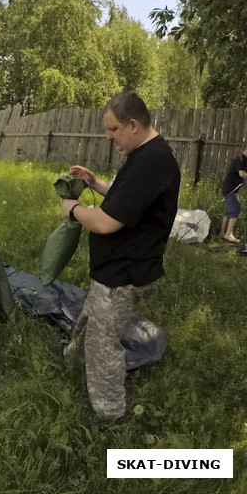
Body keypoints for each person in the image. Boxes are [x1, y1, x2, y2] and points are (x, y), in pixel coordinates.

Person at [59, 91, 180, 421]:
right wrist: (95, 183)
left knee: (104, 345)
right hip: (112, 269)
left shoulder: (154, 161)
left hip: (125, 271)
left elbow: (106, 222)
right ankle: (71, 360)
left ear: (133, 124)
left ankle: (109, 414)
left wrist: (73, 210)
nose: (109, 137)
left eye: (112, 130)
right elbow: (128, 199)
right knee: (90, 317)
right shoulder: (145, 154)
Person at [219, 145, 247, 243]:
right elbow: (242, 174)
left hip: (231, 189)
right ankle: (229, 234)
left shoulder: (244, 160)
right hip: (230, 188)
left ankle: (222, 233)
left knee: (230, 211)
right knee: (236, 210)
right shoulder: (240, 158)